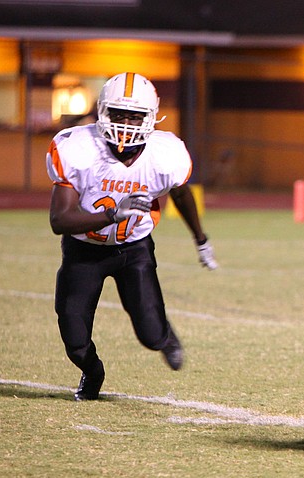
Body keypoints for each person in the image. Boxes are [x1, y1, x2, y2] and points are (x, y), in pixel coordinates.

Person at [46, 72, 218, 401]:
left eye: (135, 115)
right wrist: (112, 214)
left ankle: (165, 336)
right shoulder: (78, 148)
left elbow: (181, 194)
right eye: (118, 113)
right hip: (84, 251)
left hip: (133, 249)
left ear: (150, 117)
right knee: (75, 340)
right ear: (102, 111)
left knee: (151, 335)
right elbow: (59, 220)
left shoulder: (165, 154)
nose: (126, 123)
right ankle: (93, 372)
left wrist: (201, 239)